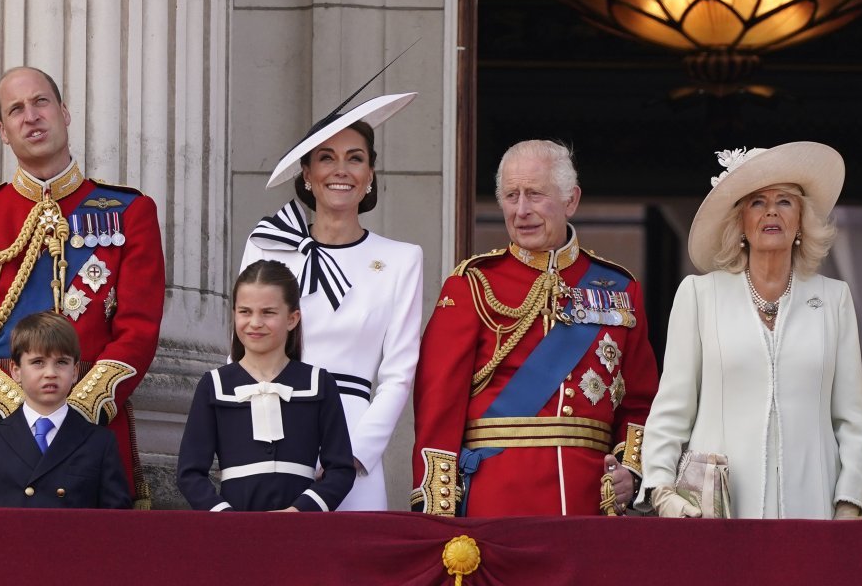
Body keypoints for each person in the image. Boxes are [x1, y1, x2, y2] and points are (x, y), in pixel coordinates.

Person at [0, 66, 165, 506]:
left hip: (93, 428)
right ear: (3, 131)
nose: (30, 116)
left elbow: (139, 328)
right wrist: (19, 411)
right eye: (15, 109)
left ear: (64, 112)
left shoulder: (130, 211)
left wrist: (76, 407)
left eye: (40, 102)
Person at [411, 140, 659, 516]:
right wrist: (438, 510)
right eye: (511, 196)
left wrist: (630, 469)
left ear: (570, 200)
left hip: (588, 500)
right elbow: (438, 406)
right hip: (495, 498)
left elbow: (640, 400)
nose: (521, 210)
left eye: (535, 194)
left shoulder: (620, 289)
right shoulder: (472, 284)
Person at [640, 143, 862, 519]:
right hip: (716, 513)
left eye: (784, 201)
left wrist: (848, 504)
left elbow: (851, 419)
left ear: (800, 220)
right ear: (740, 222)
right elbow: (672, 409)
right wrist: (662, 490)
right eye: (756, 202)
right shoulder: (700, 295)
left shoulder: (833, 298)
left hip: (814, 510)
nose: (770, 212)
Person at [241, 91, 423, 510]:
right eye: (326, 157)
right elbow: (241, 352)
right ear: (306, 172)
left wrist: (354, 455)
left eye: (355, 158)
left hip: (352, 438)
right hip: (272, 429)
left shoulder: (401, 259)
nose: (341, 170)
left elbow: (399, 374)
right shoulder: (268, 246)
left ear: (371, 173)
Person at [177, 260, 356, 512]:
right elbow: (190, 473)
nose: (255, 322)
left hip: (302, 532)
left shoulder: (319, 383)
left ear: (292, 318)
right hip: (233, 533)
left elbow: (340, 470)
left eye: (268, 312)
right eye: (245, 312)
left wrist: (301, 511)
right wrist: (224, 516)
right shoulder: (214, 385)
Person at [0, 311, 131, 508]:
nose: (50, 373)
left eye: (61, 363)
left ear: (74, 372)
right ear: (16, 371)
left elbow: (117, 524)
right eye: (38, 362)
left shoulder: (100, 442)